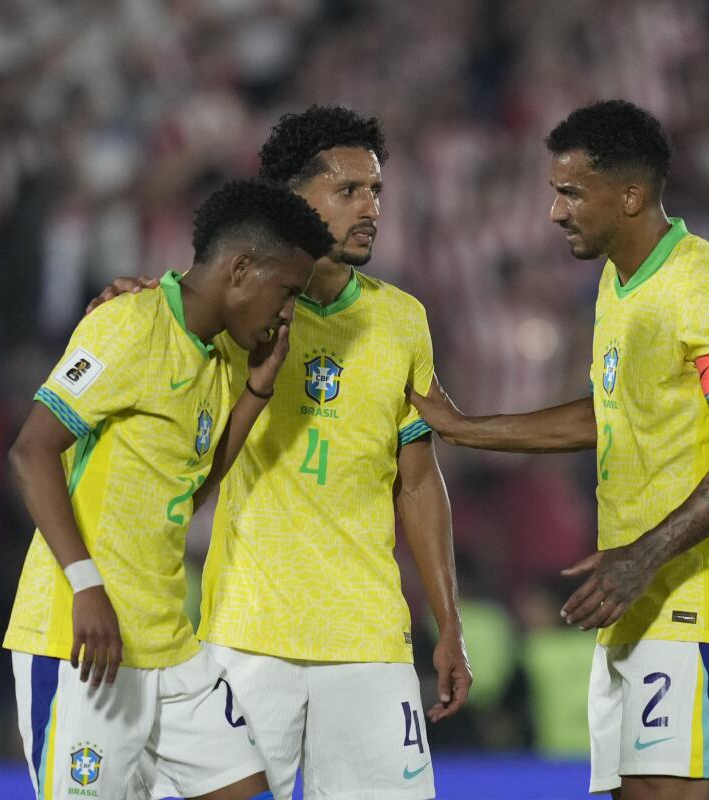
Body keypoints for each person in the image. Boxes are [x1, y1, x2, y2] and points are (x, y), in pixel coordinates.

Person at [89, 106, 470, 800]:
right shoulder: (236, 309)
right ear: (294, 198)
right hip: (246, 632)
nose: (371, 209)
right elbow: (163, 327)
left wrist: (450, 626)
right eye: (348, 190)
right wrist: (127, 301)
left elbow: (417, 482)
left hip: (369, 640)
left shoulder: (402, 321)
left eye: (377, 191)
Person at [410, 100, 709, 799]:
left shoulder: (701, 288)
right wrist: (466, 427)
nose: (555, 212)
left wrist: (642, 556)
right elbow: (612, 415)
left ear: (631, 194)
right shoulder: (619, 280)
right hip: (634, 596)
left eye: (571, 193)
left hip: (696, 600)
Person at [3, 180, 333, 800]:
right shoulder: (130, 324)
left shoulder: (226, 357)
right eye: (287, 292)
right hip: (80, 638)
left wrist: (257, 393)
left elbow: (191, 486)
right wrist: (87, 587)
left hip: (165, 639)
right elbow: (31, 451)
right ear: (240, 270)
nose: (288, 313)